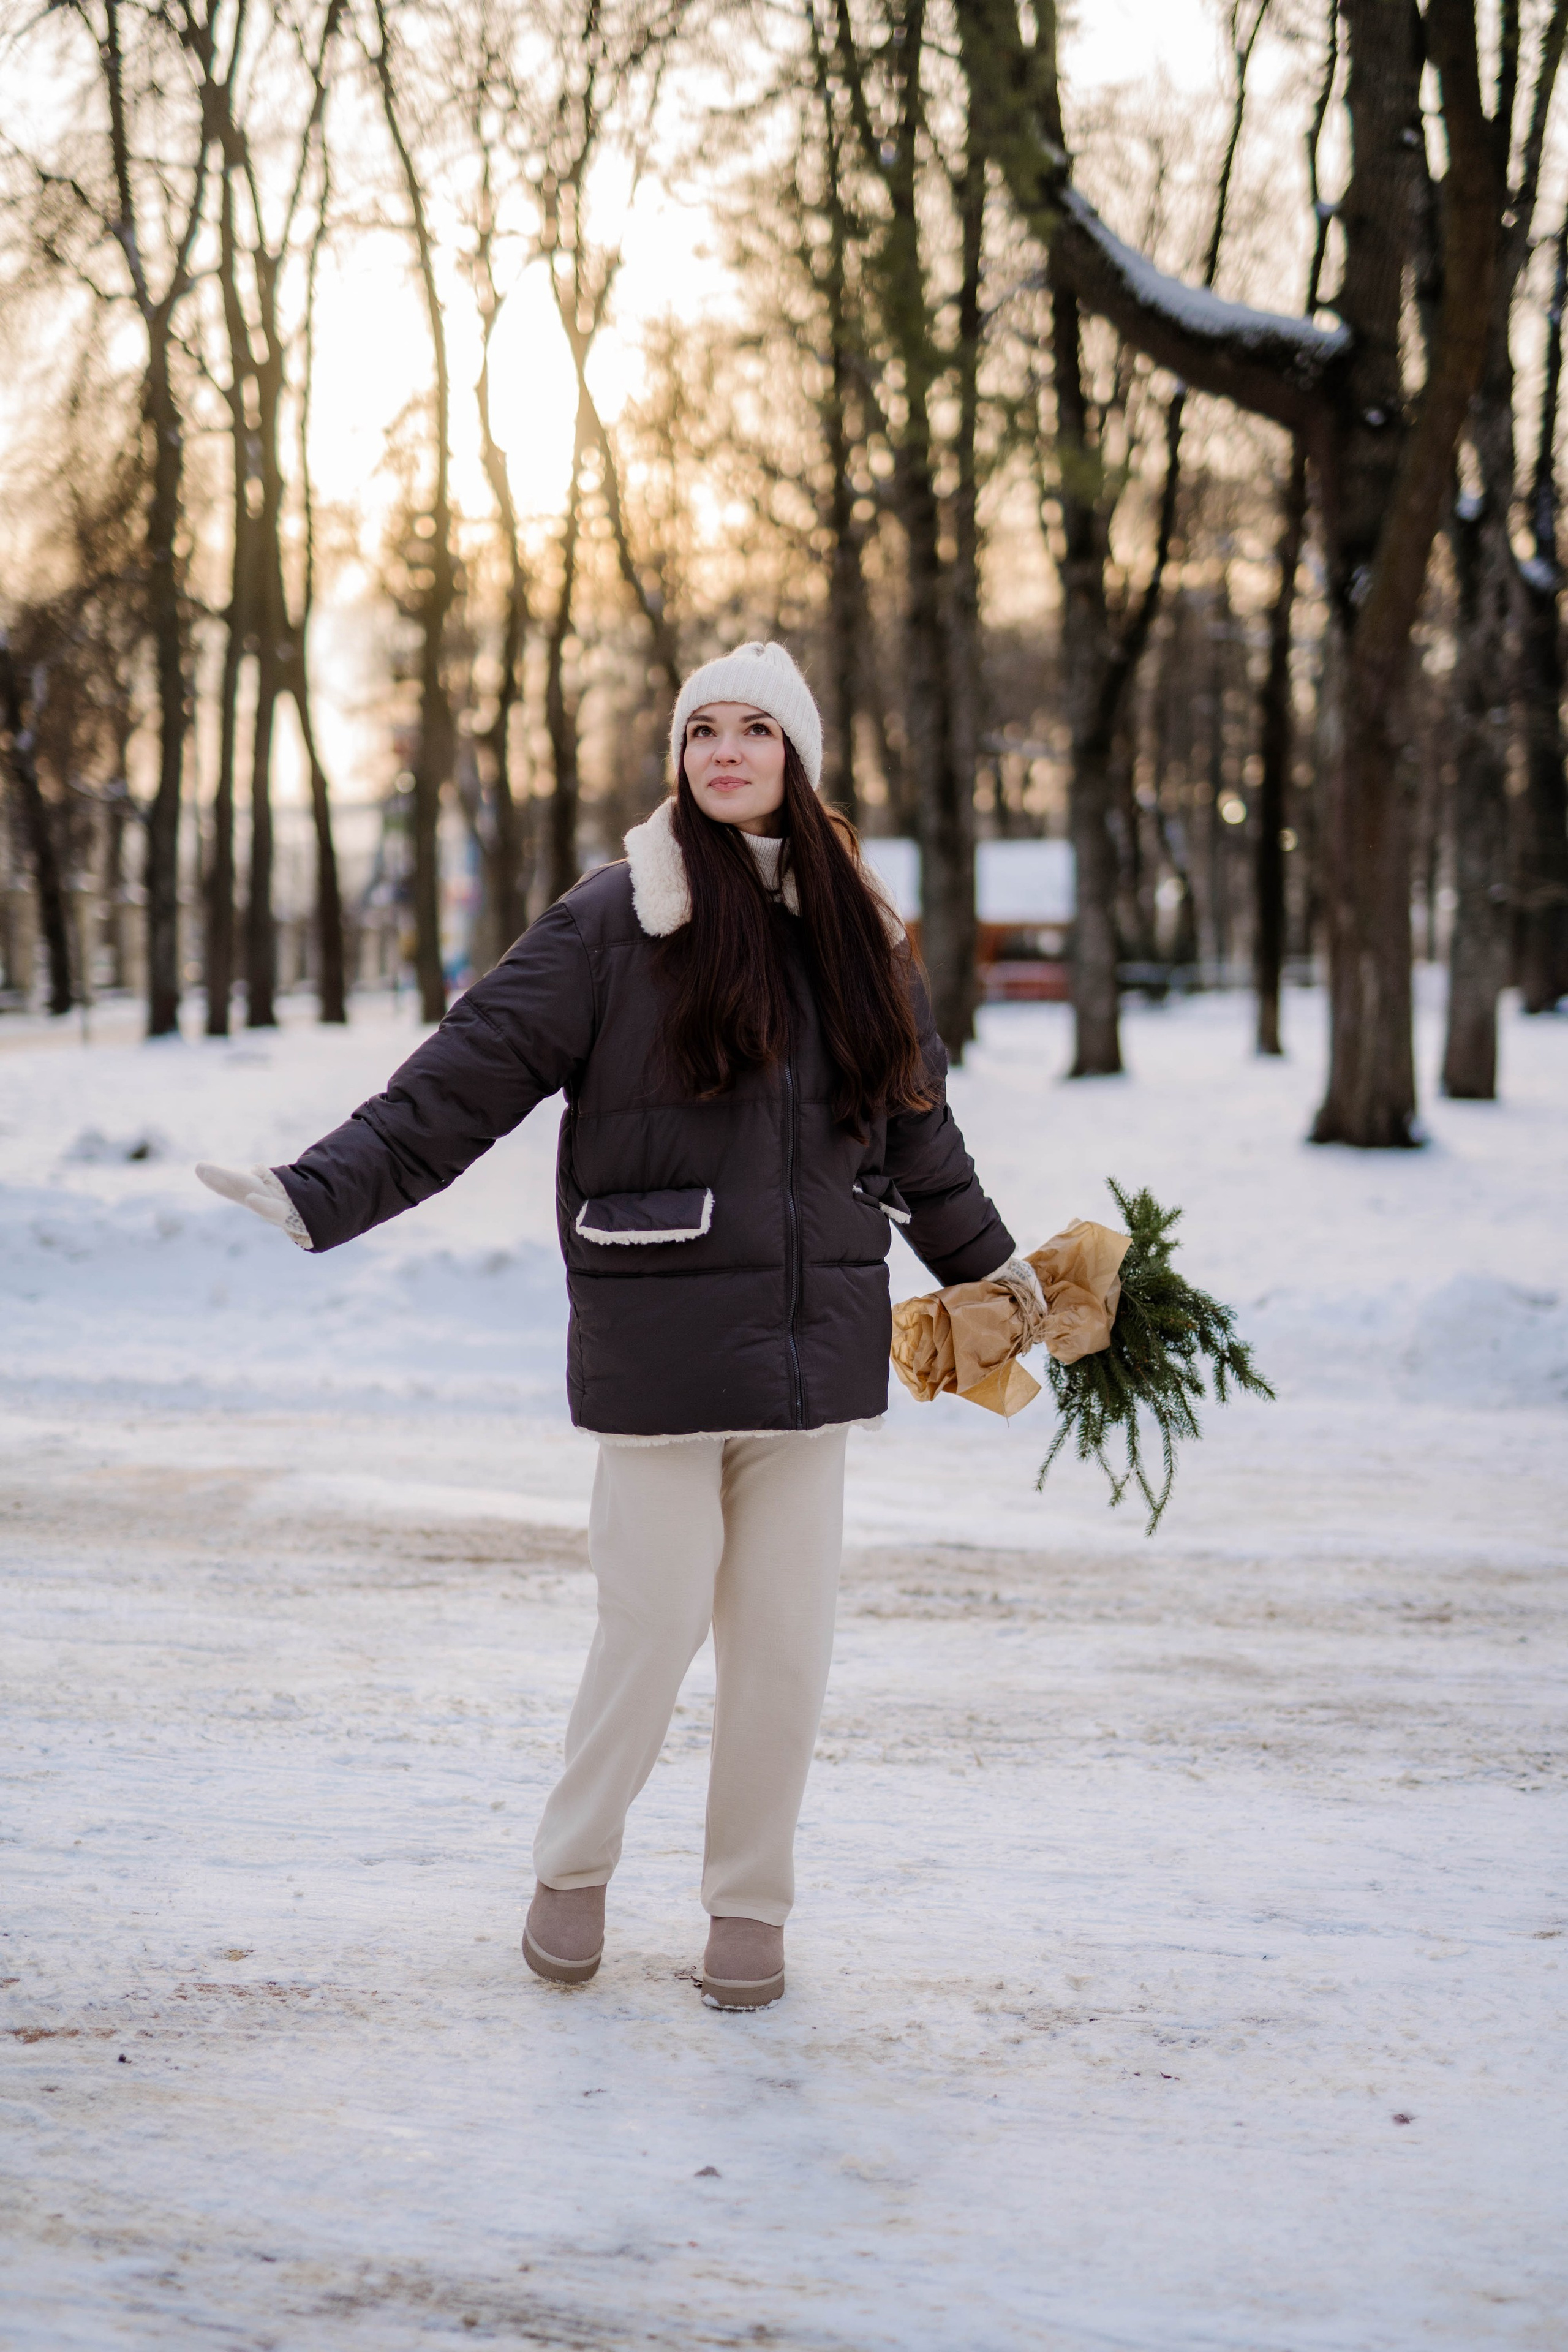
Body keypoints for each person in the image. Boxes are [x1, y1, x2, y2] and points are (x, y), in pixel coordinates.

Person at [198, 640, 1025, 2010]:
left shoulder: (862, 935)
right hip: (658, 1348)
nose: (724, 752)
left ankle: (747, 1909)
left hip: (812, 1358)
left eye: (756, 729)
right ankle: (571, 1872)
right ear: (679, 756)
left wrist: (1005, 1291)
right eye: (704, 729)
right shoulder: (613, 919)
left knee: (783, 1650)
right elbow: (465, 1077)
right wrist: (319, 1192)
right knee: (646, 1627)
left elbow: (918, 1142)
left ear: (797, 758)